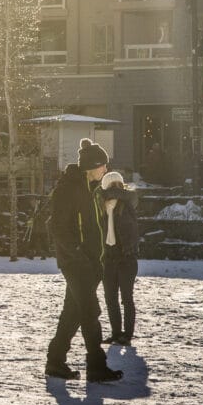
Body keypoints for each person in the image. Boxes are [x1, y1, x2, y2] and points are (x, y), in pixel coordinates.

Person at [45, 138, 122, 383]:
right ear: (92, 166)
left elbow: (93, 226)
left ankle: (55, 362)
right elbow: (58, 227)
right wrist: (78, 254)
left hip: (89, 262)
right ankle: (96, 366)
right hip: (76, 262)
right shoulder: (69, 188)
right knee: (90, 311)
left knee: (73, 313)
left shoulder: (92, 189)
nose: (106, 170)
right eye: (103, 166)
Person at [100, 171, 140, 345]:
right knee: (110, 298)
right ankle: (116, 333)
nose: (115, 189)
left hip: (126, 258)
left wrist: (110, 190)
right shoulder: (102, 206)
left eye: (118, 185)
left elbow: (129, 196)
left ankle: (127, 334)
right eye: (112, 185)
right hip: (108, 257)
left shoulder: (128, 203)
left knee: (126, 298)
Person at [23, 191, 53, 260]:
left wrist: (40, 216)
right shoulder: (32, 209)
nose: (31, 203)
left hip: (42, 229)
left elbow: (46, 217)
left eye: (33, 201)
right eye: (31, 202)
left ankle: (44, 254)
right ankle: (31, 254)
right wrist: (31, 217)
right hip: (34, 229)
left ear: (36, 201)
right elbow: (29, 216)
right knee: (32, 242)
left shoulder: (42, 208)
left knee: (43, 243)